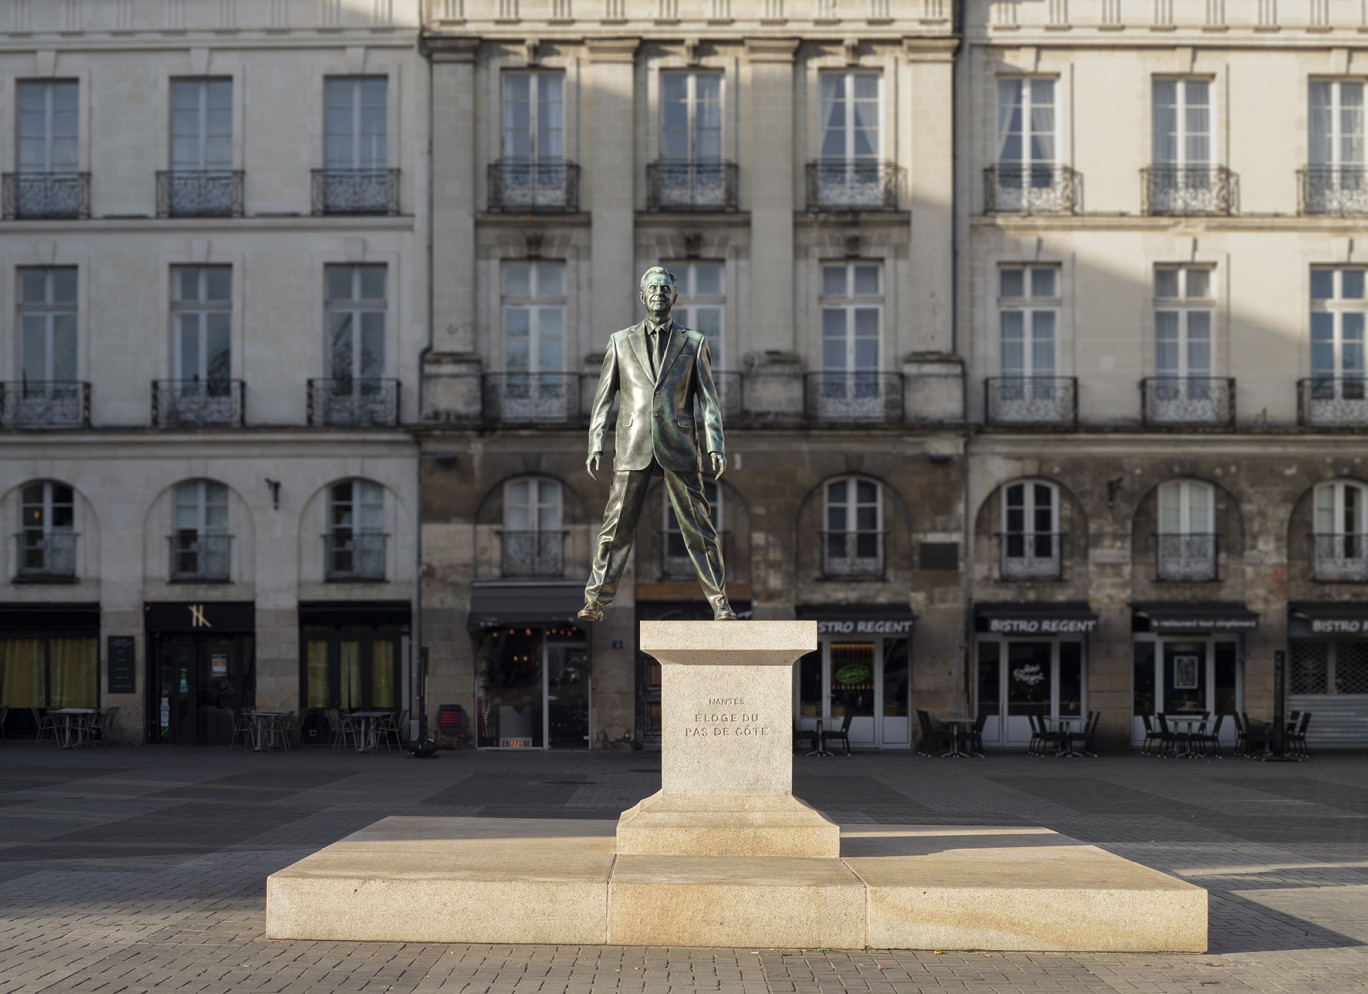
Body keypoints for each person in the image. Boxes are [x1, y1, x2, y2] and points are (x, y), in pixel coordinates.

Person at [578, 266, 737, 622]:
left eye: (665, 287)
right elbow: (604, 398)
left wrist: (716, 445)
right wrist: (595, 443)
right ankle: (596, 600)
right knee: (616, 526)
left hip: (678, 443)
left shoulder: (694, 343)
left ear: (674, 296)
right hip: (633, 442)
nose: (659, 292)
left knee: (698, 527)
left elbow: (709, 400)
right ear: (641, 295)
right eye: (652, 287)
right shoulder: (620, 342)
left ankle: (719, 601)